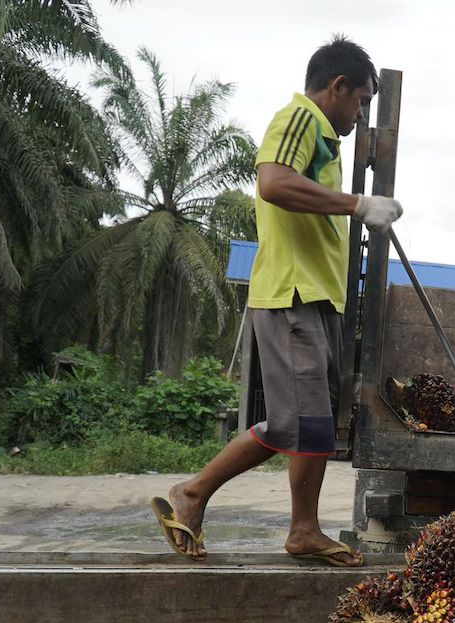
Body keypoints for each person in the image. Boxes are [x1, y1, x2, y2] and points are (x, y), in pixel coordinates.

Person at [151, 36, 403, 565]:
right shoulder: (300, 120)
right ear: (336, 87)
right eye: (359, 100)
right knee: (303, 422)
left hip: (315, 299)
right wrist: (357, 203)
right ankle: (205, 497)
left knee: (306, 424)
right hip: (292, 294)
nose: (360, 114)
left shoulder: (323, 142)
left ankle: (284, 523)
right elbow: (273, 183)